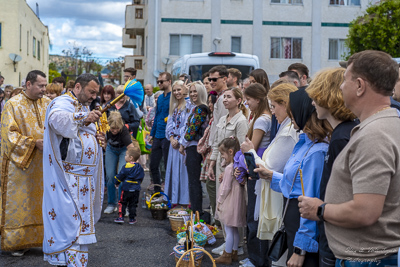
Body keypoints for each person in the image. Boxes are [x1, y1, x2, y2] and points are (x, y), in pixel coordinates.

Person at [299, 50, 400, 266]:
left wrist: (319, 209)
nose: (342, 87)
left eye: (345, 80)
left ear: (360, 86)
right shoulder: (382, 126)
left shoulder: (374, 135)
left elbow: (365, 212)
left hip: (366, 259)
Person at [255, 88, 331, 267]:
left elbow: (310, 203)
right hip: (293, 219)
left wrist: (300, 250)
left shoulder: (317, 151)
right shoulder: (305, 142)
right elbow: (296, 183)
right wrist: (272, 177)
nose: (290, 116)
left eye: (293, 112)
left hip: (301, 222)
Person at [42, 73, 105, 266]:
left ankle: (78, 262)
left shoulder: (84, 105)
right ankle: (65, 261)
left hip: (85, 178)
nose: (94, 96)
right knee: (70, 221)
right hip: (68, 178)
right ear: (77, 87)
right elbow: (56, 120)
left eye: (96, 93)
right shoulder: (63, 102)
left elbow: (82, 136)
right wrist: (84, 117)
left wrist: (98, 140)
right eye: (91, 91)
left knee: (81, 223)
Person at [304, 67, 357, 267]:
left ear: (328, 96)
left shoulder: (342, 137)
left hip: (337, 238)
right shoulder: (341, 133)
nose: (312, 102)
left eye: (316, 96)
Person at [0, 70, 50, 256]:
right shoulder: (12, 105)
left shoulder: (48, 104)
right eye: (40, 86)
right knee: (22, 201)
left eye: (45, 85)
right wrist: (33, 143)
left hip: (44, 164)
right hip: (20, 165)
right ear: (28, 84)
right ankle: (18, 242)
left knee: (43, 201)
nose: (44, 90)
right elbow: (8, 134)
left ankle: (45, 238)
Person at [209, 87, 248, 256]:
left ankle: (237, 245)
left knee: (233, 208)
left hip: (233, 170)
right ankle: (227, 242)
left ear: (238, 100)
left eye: (228, 97)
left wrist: (236, 171)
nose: (224, 99)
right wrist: (211, 164)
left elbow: (241, 148)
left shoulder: (241, 121)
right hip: (221, 166)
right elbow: (218, 144)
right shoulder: (223, 118)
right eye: (224, 97)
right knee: (223, 205)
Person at [236, 82, 272, 267]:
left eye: (248, 99)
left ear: (258, 99)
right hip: (255, 170)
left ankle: (257, 259)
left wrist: (240, 162)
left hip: (255, 171)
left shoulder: (261, 120)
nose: (246, 102)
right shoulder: (262, 117)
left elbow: (251, 148)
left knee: (254, 217)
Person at [214, 137, 246, 265]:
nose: (222, 157)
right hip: (236, 202)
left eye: (222, 154)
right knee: (234, 229)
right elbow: (225, 163)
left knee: (228, 229)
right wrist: (226, 160)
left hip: (228, 201)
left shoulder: (229, 169)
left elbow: (226, 187)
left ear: (231, 152)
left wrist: (220, 201)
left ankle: (227, 254)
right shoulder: (237, 165)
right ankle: (234, 252)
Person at [179, 81, 210, 214]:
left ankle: (196, 212)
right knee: (193, 181)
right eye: (191, 92)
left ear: (201, 92)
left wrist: (182, 144)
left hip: (194, 148)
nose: (192, 94)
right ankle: (195, 211)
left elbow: (192, 130)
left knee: (194, 182)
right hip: (193, 147)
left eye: (195, 91)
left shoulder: (201, 108)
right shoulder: (197, 107)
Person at [164, 80, 191, 207]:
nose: (176, 93)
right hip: (173, 145)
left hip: (183, 145)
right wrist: (171, 138)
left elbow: (187, 125)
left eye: (179, 90)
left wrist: (180, 141)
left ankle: (185, 201)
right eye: (174, 90)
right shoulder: (174, 107)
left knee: (183, 173)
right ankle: (174, 199)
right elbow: (170, 125)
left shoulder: (188, 105)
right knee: (174, 172)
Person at [103, 111, 133, 214]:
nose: (115, 130)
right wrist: (104, 144)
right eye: (112, 128)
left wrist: (133, 162)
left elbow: (130, 148)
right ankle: (111, 203)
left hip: (123, 150)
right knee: (110, 176)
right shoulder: (105, 128)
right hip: (111, 149)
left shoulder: (124, 131)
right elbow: (104, 139)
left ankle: (123, 204)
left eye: (117, 128)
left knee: (122, 176)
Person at [149, 72, 172, 193]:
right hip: (158, 135)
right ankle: (157, 192)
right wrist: (152, 134)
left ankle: (169, 192)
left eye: (161, 81)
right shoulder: (161, 97)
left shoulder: (173, 96)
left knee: (168, 166)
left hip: (168, 136)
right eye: (158, 82)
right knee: (153, 165)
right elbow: (157, 116)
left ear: (169, 82)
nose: (159, 84)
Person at [113, 146, 144, 225]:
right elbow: (141, 176)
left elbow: (121, 175)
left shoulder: (126, 166)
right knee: (133, 204)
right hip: (136, 189)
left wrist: (116, 182)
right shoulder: (139, 167)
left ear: (131, 157)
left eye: (126, 155)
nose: (125, 156)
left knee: (122, 202)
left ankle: (121, 217)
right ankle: (132, 218)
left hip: (126, 188)